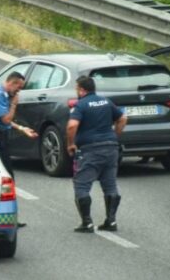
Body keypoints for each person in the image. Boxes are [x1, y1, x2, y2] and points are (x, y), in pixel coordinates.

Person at [66, 76, 127, 233]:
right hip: (111, 148)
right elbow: (123, 118)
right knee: (110, 184)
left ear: (81, 89)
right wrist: (115, 135)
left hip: (90, 150)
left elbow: (72, 125)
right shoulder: (106, 101)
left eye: (76, 88)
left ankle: (86, 223)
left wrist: (70, 144)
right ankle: (111, 221)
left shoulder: (81, 105)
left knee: (82, 185)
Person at [0, 71, 38, 228]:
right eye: (18, 88)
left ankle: (9, 216)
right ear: (11, 83)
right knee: (6, 177)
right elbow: (6, 119)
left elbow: (7, 122)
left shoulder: (2, 94)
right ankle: (6, 217)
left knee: (8, 177)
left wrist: (22, 128)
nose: (18, 92)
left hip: (1, 133)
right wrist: (14, 103)